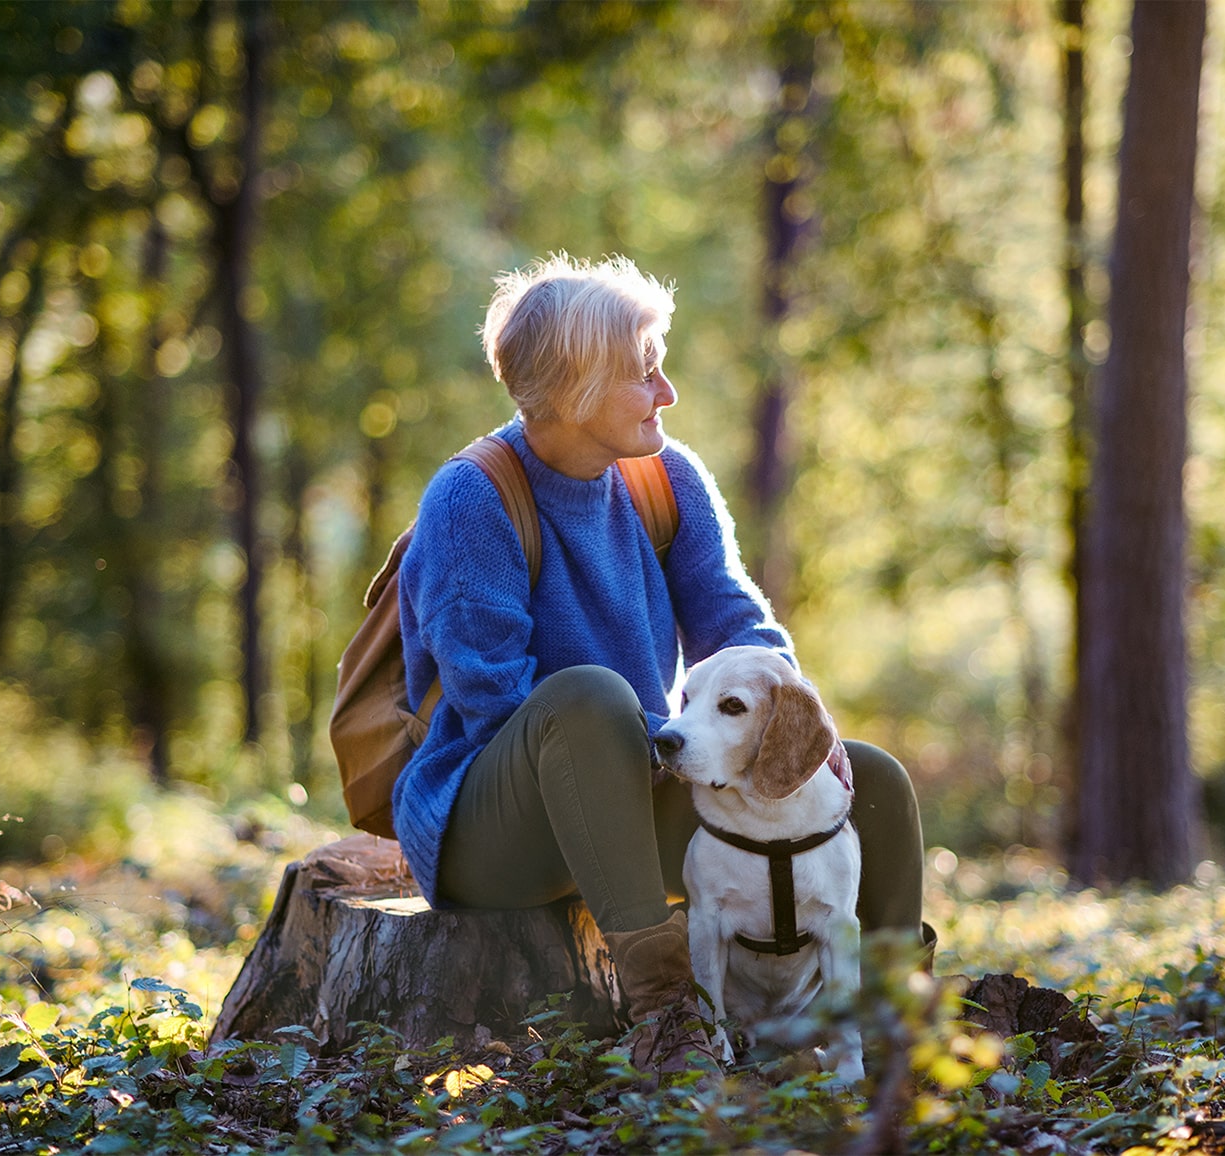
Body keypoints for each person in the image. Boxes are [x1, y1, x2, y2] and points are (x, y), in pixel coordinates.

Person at [392, 253, 929, 1079]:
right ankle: (671, 1019)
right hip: (497, 826)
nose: (668, 392)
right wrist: (668, 738)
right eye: (646, 373)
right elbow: (493, 697)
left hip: (640, 785)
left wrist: (796, 722)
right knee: (588, 697)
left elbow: (738, 622)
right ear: (574, 387)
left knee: (874, 779)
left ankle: (892, 1028)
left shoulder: (667, 478)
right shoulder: (473, 499)